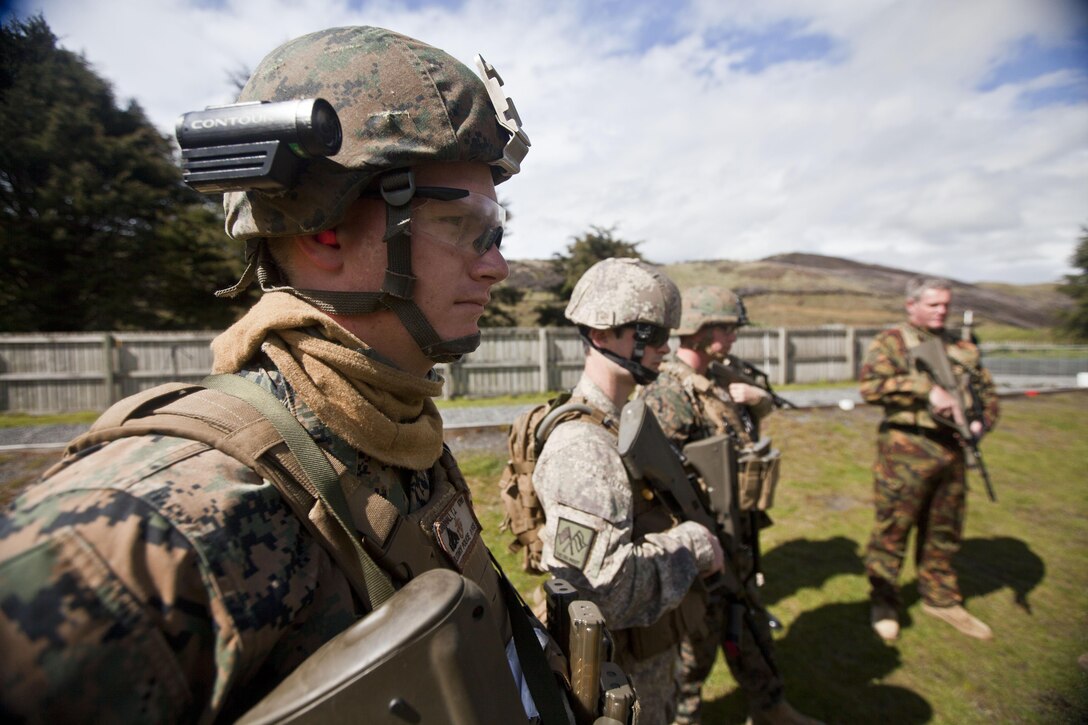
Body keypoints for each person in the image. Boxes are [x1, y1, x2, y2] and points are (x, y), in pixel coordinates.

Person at [0, 26, 562, 723]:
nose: (496, 265)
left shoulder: (391, 434)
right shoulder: (151, 525)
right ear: (322, 232)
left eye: (497, 229)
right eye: (465, 224)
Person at [532, 258, 726, 725]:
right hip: (620, 676)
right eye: (652, 334)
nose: (666, 347)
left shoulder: (620, 423)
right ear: (601, 335)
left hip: (646, 659)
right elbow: (602, 591)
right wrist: (694, 545)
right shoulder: (584, 448)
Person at [637, 286, 820, 725]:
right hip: (700, 535)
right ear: (699, 330)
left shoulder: (722, 377)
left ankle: (770, 705)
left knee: (752, 625)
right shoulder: (668, 392)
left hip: (738, 527)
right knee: (693, 646)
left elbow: (748, 424)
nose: (734, 335)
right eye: (727, 327)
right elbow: (657, 481)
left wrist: (758, 401)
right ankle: (684, 717)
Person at [860, 276, 999, 642]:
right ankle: (884, 601)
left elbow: (986, 393)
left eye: (945, 305)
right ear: (912, 305)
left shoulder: (962, 347)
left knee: (944, 530)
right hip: (906, 450)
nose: (942, 311)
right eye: (934, 304)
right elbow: (870, 387)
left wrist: (980, 421)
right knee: (893, 529)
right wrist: (926, 390)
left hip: (951, 451)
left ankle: (941, 598)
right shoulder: (893, 342)